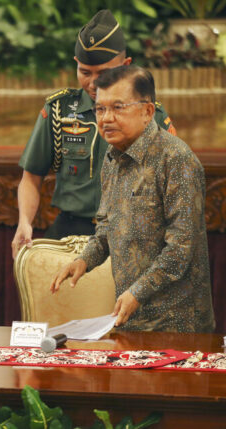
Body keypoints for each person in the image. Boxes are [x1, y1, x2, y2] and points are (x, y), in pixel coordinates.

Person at [51, 65, 215, 333]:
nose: (106, 119)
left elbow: (181, 247)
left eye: (118, 107)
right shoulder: (112, 157)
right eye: (100, 109)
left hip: (179, 325)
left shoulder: (176, 160)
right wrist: (84, 260)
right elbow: (106, 227)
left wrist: (137, 292)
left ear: (148, 112)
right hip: (130, 322)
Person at [12, 9, 177, 257]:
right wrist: (24, 221)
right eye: (85, 72)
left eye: (104, 73)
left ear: (126, 65)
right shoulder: (59, 110)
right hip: (70, 234)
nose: (93, 83)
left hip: (131, 236)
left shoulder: (149, 116)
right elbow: (31, 176)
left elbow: (174, 187)